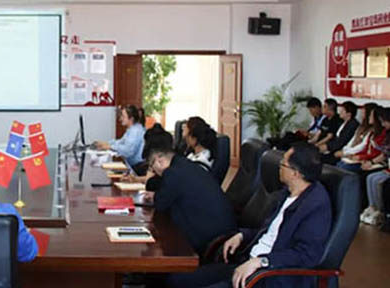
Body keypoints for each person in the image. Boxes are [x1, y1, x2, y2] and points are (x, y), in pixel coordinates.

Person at [165, 143, 331, 288]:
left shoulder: (315, 205)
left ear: (296, 173)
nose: (279, 167)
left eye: (283, 164)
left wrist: (262, 261)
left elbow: (307, 254)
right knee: (176, 280)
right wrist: (242, 235)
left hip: (268, 277)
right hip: (247, 263)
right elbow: (268, 231)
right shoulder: (286, 194)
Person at [147, 147, 236, 256]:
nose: (155, 173)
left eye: (153, 169)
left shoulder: (173, 172)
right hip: (222, 230)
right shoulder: (188, 166)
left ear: (159, 161)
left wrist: (155, 197)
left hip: (208, 238)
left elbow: (161, 204)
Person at [336, 107, 387, 172]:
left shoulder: (382, 134)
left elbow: (376, 152)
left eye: (371, 116)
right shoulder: (372, 133)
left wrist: (360, 157)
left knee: (345, 167)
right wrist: (355, 155)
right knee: (340, 164)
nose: (369, 117)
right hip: (365, 157)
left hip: (372, 160)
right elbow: (365, 148)